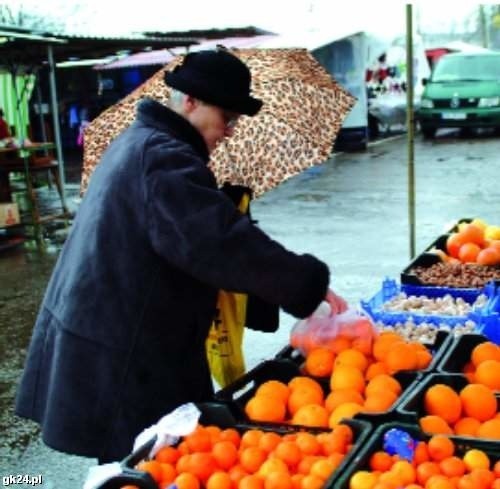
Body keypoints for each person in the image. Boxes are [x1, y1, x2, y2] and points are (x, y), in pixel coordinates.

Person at [15, 50, 347, 463]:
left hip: (122, 341)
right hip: (128, 356)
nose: (229, 130)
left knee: (157, 461)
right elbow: (219, 245)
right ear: (189, 101)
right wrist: (305, 282)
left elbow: (198, 231)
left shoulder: (146, 144)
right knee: (150, 464)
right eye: (226, 117)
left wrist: (220, 204)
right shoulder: (162, 157)